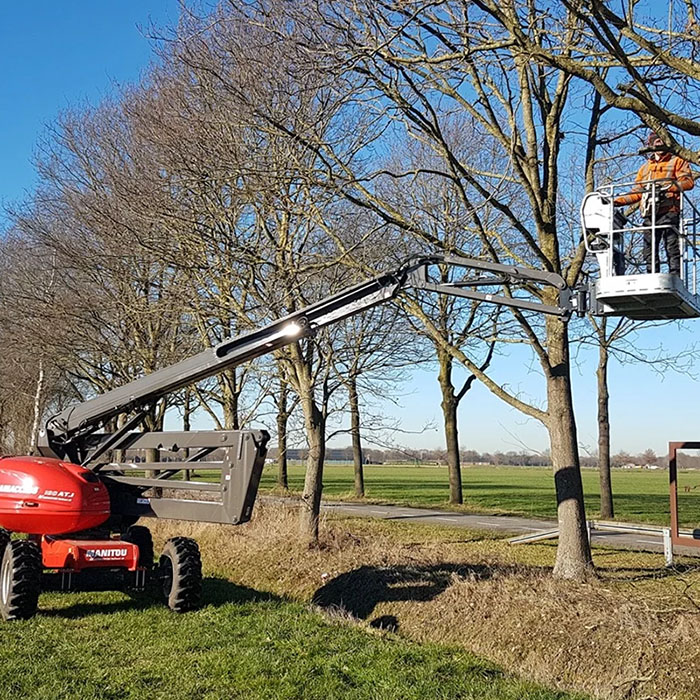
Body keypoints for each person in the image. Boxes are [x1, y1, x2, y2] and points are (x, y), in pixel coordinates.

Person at [614, 131, 694, 276]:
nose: (660, 145)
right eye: (657, 142)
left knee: (671, 245)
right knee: (649, 247)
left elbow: (688, 182)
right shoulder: (645, 168)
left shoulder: (676, 161)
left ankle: (675, 276)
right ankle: (652, 275)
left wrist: (669, 187)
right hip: (650, 213)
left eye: (662, 142)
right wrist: (615, 201)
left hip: (669, 210)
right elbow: (637, 192)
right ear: (650, 145)